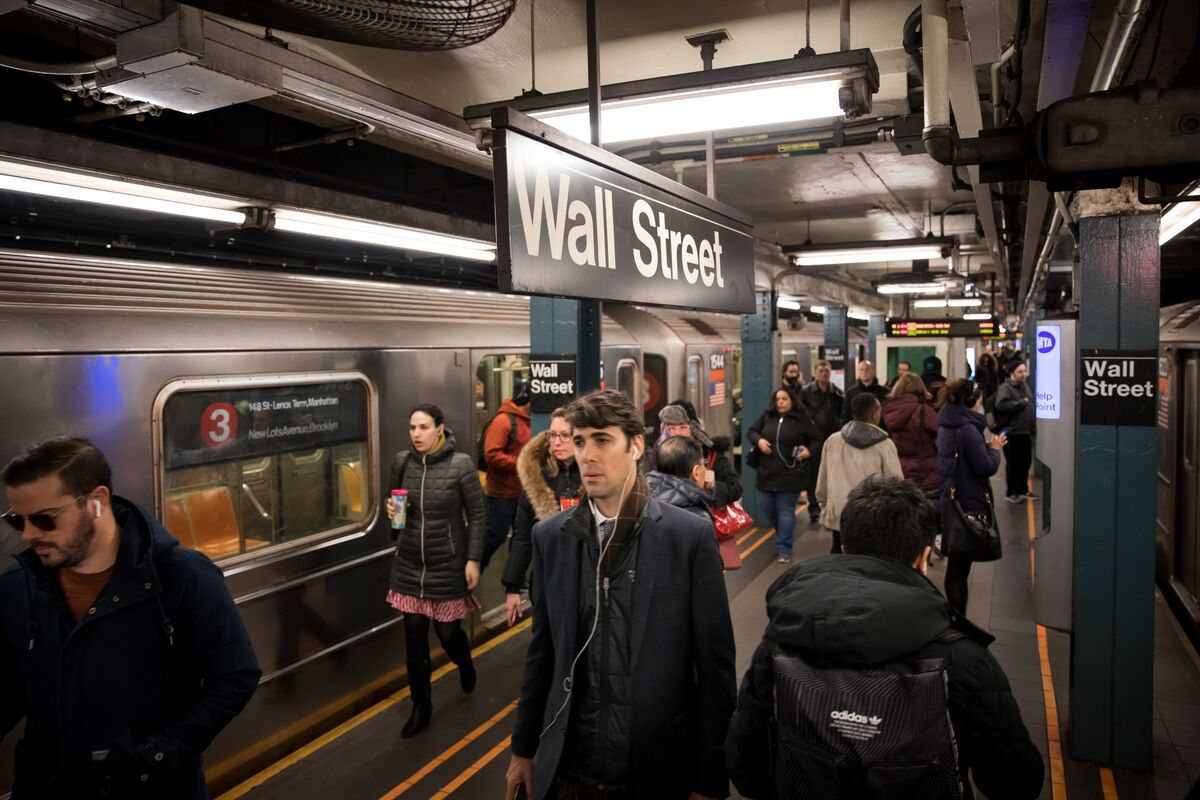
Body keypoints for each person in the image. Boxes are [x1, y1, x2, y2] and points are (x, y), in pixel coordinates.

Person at [726, 476, 1044, 800]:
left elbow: (746, 770)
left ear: (845, 548)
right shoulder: (964, 659)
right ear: (923, 558)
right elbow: (1017, 783)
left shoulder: (781, 641)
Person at [505, 389, 736, 800]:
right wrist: (523, 749)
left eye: (602, 440)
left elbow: (715, 670)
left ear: (636, 446)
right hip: (570, 772)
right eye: (579, 442)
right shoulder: (552, 540)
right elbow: (543, 654)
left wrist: (709, 777)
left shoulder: (687, 538)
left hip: (655, 770)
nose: (587, 455)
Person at [0, 437, 260, 799]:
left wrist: (158, 753)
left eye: (44, 519)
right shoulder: (17, 588)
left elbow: (235, 676)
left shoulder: (181, 577)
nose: (29, 535)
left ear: (97, 501)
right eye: (17, 520)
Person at [388, 403, 485, 738]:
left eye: (424, 427)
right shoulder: (402, 463)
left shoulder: (461, 465)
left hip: (448, 562)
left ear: (440, 428)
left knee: (447, 634)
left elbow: (477, 516)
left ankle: (464, 660)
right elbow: (396, 520)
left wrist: (473, 559)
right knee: (414, 642)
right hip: (410, 565)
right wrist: (394, 515)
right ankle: (421, 706)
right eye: (412, 427)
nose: (417, 434)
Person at [502, 407, 581, 627]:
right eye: (552, 435)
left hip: (585, 578)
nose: (557, 442)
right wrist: (513, 587)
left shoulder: (594, 475)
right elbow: (522, 534)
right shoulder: (536, 475)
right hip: (547, 577)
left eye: (565, 435)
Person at [936, 380, 1005, 614]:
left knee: (955, 564)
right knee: (960, 567)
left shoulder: (947, 424)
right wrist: (995, 450)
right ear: (972, 401)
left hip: (950, 498)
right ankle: (958, 619)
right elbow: (985, 467)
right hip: (968, 501)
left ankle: (955, 615)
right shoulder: (967, 428)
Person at [815, 393, 903, 554]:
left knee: (839, 556)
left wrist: (825, 506)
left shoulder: (833, 441)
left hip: (840, 515)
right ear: (875, 413)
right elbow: (895, 484)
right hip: (873, 517)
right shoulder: (884, 444)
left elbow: (823, 480)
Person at [746, 387, 819, 564]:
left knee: (786, 511)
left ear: (792, 400)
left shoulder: (802, 419)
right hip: (767, 472)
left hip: (791, 473)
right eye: (777, 399)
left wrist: (808, 451)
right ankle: (782, 534)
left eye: (784, 399)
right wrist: (759, 441)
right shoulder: (767, 416)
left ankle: (784, 549)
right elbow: (751, 432)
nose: (780, 402)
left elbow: (817, 439)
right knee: (767, 508)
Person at [654, 401, 741, 508]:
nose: (677, 433)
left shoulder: (711, 455)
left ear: (694, 430)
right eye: (671, 428)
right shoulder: (661, 456)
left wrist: (715, 484)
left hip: (704, 518)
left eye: (683, 427)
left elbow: (736, 489)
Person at [481, 391, 533, 569]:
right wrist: (521, 464)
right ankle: (471, 569)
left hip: (523, 492)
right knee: (495, 534)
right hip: (501, 493)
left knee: (521, 537)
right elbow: (491, 453)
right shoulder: (504, 421)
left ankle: (514, 579)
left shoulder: (528, 420)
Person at [880, 372, 941, 494]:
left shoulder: (885, 410)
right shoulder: (925, 411)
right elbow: (941, 434)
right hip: (925, 474)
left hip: (896, 470)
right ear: (920, 388)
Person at [800, 360, 843, 523]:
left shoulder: (837, 393)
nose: (824, 373)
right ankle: (813, 508)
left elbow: (841, 415)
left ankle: (829, 505)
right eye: (821, 371)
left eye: (826, 371)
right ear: (815, 372)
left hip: (831, 440)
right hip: (812, 440)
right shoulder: (806, 392)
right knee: (812, 475)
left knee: (832, 475)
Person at [994, 361, 1035, 502]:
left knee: (1025, 462)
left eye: (1024, 371)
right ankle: (1011, 492)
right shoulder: (1006, 388)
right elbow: (1001, 405)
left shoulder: (1023, 386)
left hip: (1025, 431)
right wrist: (1021, 403)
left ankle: (1023, 489)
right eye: (1020, 371)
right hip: (1013, 432)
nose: (1023, 374)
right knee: (1014, 463)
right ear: (1012, 373)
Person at [647, 435, 714, 519]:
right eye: (704, 464)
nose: (705, 469)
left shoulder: (641, 501)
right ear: (696, 472)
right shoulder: (699, 519)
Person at [840, 359, 889, 425]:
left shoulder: (885, 392)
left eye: (867, 369)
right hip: (856, 430)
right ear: (858, 372)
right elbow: (845, 415)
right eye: (861, 370)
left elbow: (888, 413)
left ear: (873, 371)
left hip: (879, 430)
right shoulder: (851, 392)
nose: (864, 372)